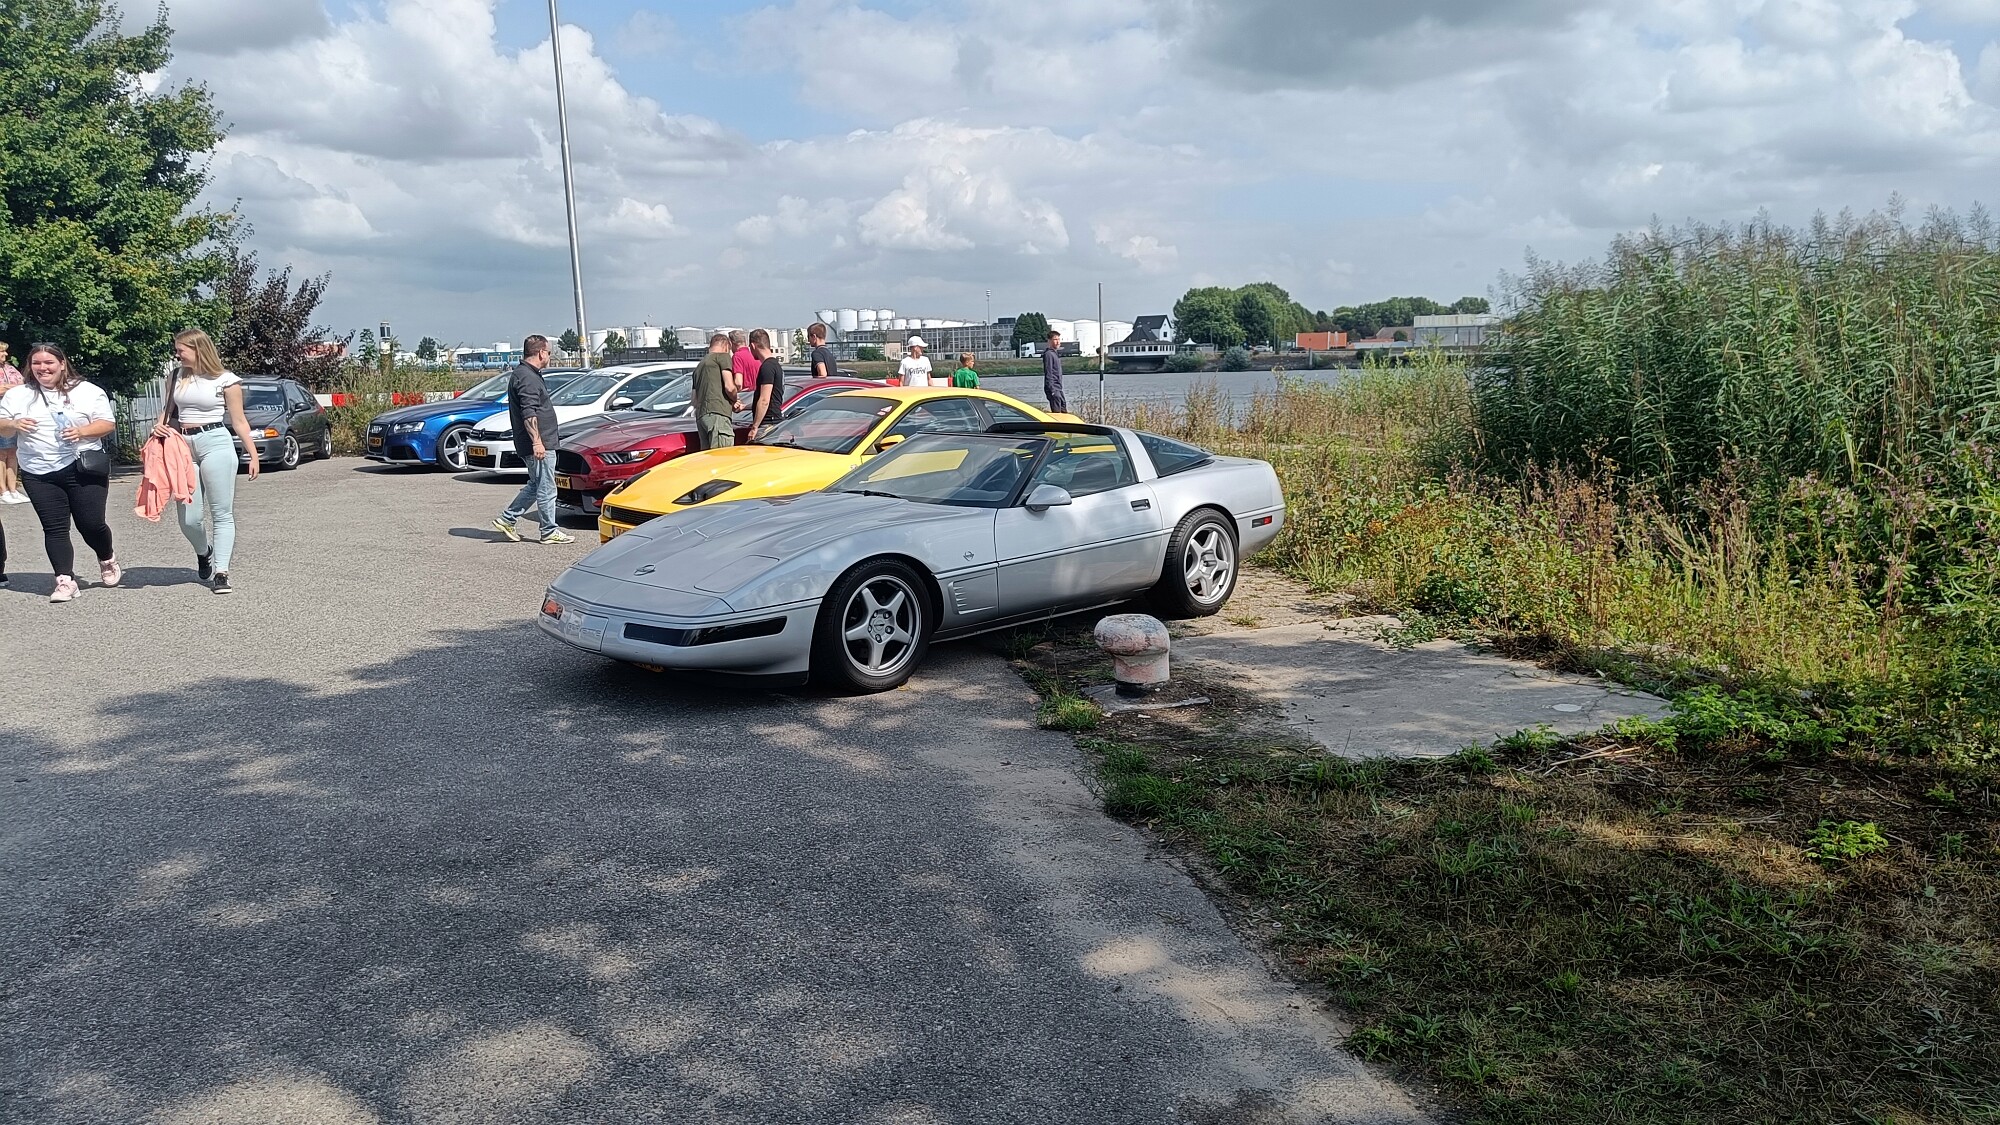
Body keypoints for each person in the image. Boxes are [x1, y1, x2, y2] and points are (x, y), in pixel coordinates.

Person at [0, 343, 119, 603]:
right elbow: (2, 426)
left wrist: (82, 431)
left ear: (62, 364)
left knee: (91, 524)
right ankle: (65, 580)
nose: (42, 368)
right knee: (54, 528)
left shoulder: (86, 391)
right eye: (36, 363)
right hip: (37, 470)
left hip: (82, 466)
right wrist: (13, 423)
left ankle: (106, 557)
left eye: (49, 363)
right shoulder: (18, 395)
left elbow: (107, 423)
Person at [155, 328, 261, 593]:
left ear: (198, 349)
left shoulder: (226, 380)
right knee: (189, 520)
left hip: (215, 441)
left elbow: (239, 420)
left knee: (221, 512)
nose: (177, 355)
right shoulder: (176, 376)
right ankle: (204, 552)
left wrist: (252, 454)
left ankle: (222, 572)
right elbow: (168, 410)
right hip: (182, 445)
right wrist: (159, 427)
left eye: (181, 350)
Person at [491, 334, 574, 545]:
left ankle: (507, 519)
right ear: (541, 353)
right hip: (539, 443)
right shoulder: (527, 377)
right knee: (546, 488)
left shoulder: (527, 374)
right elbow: (529, 412)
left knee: (537, 484)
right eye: (549, 352)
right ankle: (549, 531)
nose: (550, 356)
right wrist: (537, 442)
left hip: (538, 442)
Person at [692, 332, 739, 451]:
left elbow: (694, 400)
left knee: (708, 457)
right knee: (722, 455)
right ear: (726, 346)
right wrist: (734, 400)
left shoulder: (699, 366)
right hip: (718, 414)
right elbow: (729, 387)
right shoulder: (722, 357)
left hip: (701, 416)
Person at [746, 329, 785, 438]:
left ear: (753, 346)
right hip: (774, 422)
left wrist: (754, 427)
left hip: (767, 424)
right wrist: (744, 407)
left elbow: (764, 400)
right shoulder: (776, 365)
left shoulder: (767, 367)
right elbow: (772, 399)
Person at [0, 340, 25, 504]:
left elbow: (23, 386)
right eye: (2, 351)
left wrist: (6, 387)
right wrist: (11, 387)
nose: (6, 354)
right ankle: (3, 491)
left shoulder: (10, 369)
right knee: (1, 453)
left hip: (12, 413)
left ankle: (13, 489)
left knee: (13, 452)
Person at [1042, 329, 1068, 413]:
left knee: (1063, 409)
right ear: (1049, 341)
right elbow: (1048, 372)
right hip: (1053, 388)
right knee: (1057, 412)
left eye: (1059, 339)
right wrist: (1052, 390)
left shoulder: (1055, 353)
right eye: (1055, 339)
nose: (1058, 342)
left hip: (1059, 388)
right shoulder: (1049, 354)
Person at [729, 329, 755, 409]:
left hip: (745, 397)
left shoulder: (737, 356)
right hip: (756, 396)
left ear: (731, 343)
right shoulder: (754, 355)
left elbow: (738, 383)